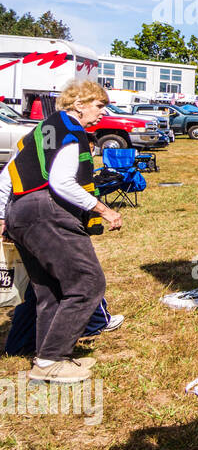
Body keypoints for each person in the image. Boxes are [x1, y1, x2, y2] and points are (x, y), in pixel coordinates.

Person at [0, 80, 123, 383]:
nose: (102, 112)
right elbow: (62, 182)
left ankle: (45, 357)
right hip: (46, 213)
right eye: (99, 105)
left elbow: (8, 175)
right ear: (79, 104)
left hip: (20, 211)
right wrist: (103, 209)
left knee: (50, 291)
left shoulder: (42, 130)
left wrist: (3, 217)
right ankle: (51, 360)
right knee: (87, 283)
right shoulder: (71, 130)